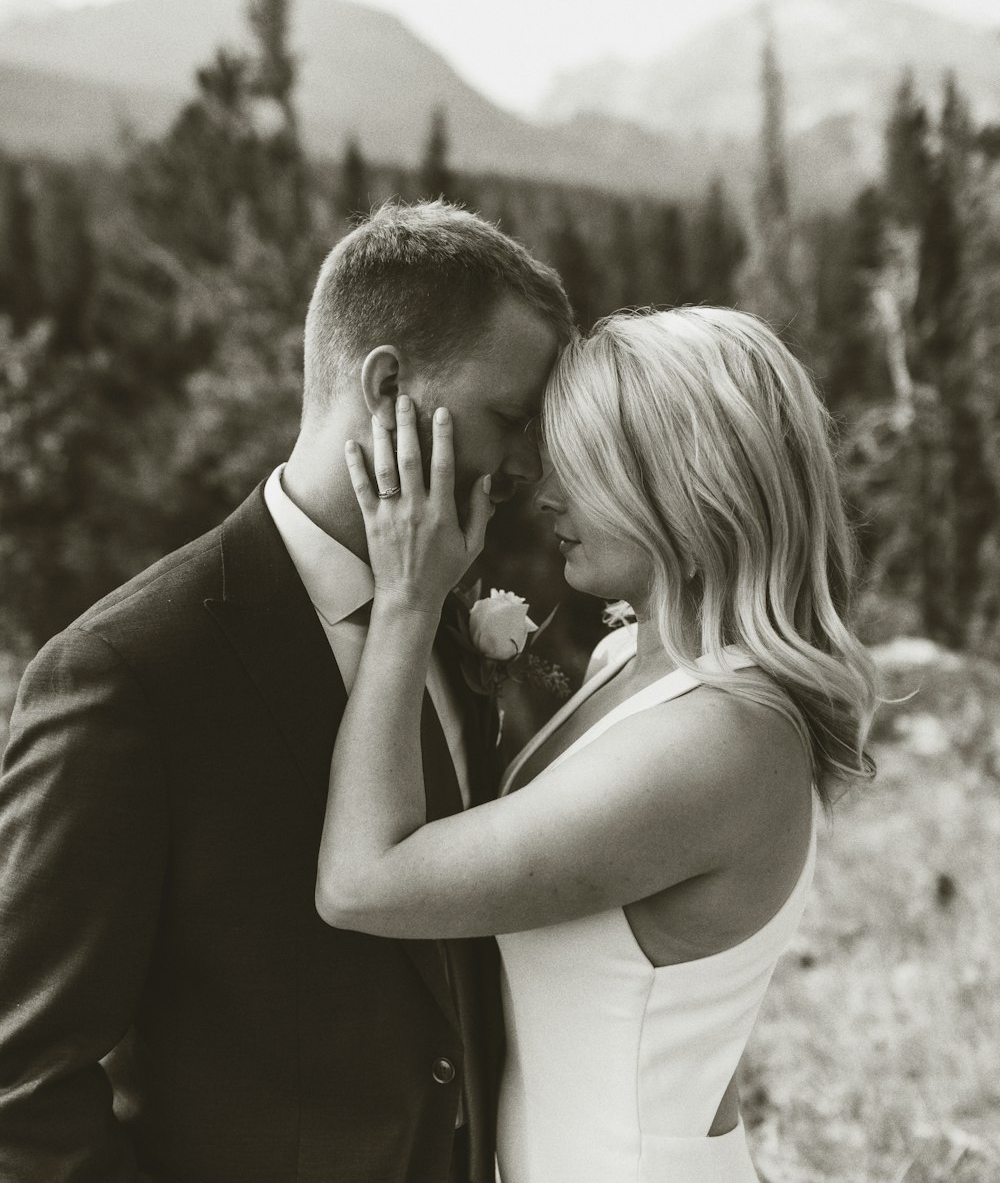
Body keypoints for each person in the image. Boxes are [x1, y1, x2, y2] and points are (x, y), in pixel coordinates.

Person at [0, 202, 573, 1183]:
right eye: (510, 418)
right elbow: (21, 1085)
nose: (528, 464)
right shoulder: (128, 673)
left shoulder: (449, 614)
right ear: (388, 384)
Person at [316, 306, 881, 1183]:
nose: (545, 497)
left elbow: (362, 884)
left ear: (686, 484)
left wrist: (406, 601)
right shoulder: (633, 654)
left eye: (582, 470)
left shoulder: (723, 734)